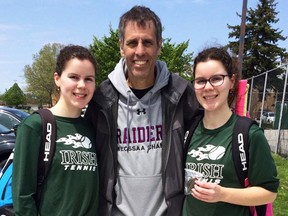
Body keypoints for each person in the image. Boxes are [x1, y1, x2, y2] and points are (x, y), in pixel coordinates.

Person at [84, 5, 202, 216]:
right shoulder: (102, 99)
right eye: (132, 43)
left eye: (147, 42)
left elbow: (209, 138)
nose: (140, 51)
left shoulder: (181, 93)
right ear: (122, 47)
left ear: (159, 45)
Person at [182, 47, 279, 216]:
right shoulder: (188, 130)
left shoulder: (249, 134)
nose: (208, 87)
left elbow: (269, 192)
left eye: (216, 79)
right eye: (201, 81)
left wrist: (222, 194)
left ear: (232, 81)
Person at [12, 45, 99, 216]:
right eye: (74, 77)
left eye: (89, 79)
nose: (82, 85)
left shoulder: (93, 128)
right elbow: (23, 198)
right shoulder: (35, 126)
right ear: (57, 79)